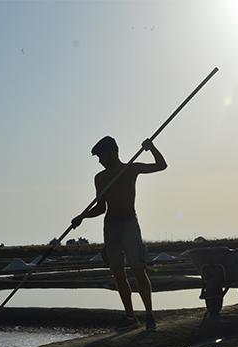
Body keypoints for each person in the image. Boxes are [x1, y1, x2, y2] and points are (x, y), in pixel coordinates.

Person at [71, 136, 167, 331]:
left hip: (129, 223)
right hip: (112, 226)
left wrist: (151, 147)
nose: (99, 161)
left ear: (112, 152)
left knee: (138, 269)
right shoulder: (101, 178)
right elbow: (100, 208)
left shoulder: (131, 169)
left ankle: (149, 314)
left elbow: (161, 165)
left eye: (101, 156)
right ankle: (130, 316)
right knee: (118, 273)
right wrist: (82, 216)